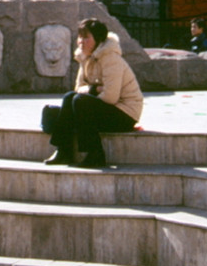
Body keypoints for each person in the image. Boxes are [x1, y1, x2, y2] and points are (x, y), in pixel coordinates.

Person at [41, 18, 143, 168]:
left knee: (80, 102)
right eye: (80, 37)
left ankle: (96, 154)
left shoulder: (110, 58)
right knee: (70, 97)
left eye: (86, 37)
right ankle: (64, 150)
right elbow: (78, 88)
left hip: (124, 114)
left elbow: (110, 97)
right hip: (105, 108)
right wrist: (95, 89)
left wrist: (89, 92)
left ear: (98, 40)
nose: (81, 42)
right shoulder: (85, 57)